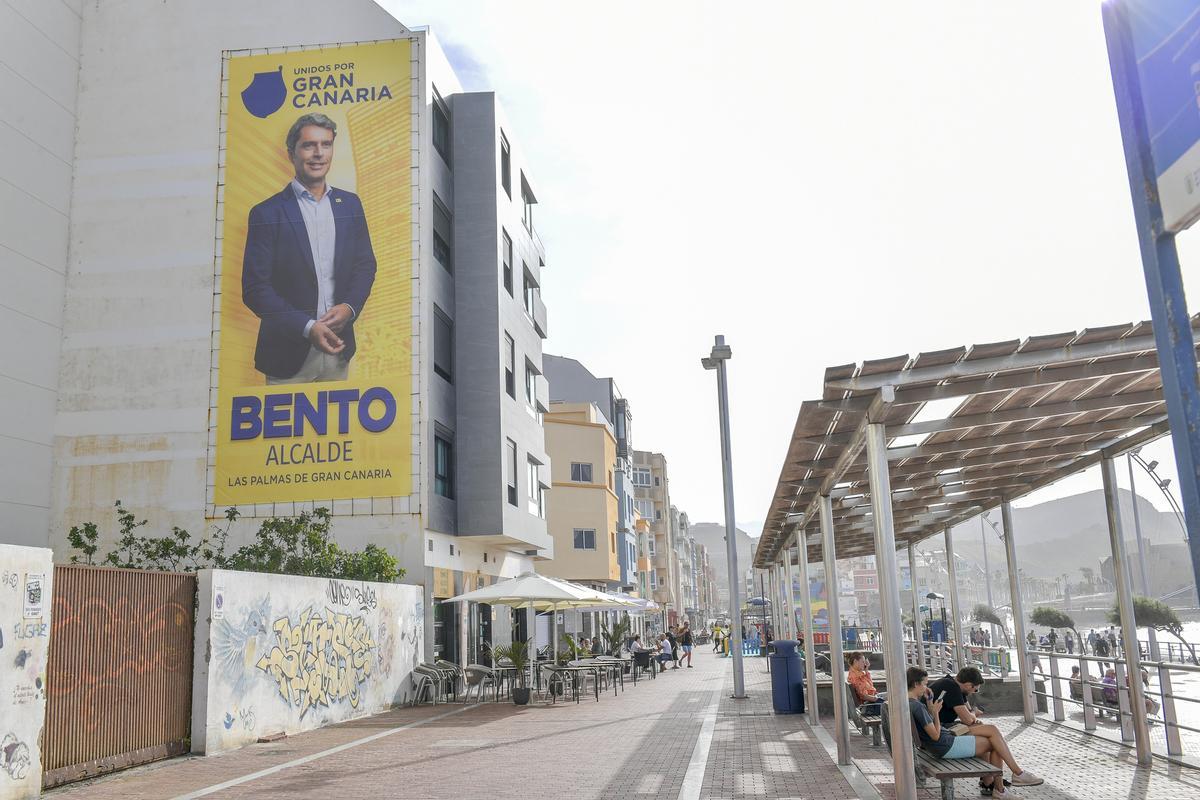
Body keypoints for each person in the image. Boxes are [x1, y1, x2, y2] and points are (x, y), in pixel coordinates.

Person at [242, 112, 377, 384]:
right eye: (309, 145)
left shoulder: (350, 205)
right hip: (286, 356)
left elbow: (365, 265)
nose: (318, 153)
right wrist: (307, 328)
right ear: (292, 153)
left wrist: (349, 307)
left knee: (342, 428)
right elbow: (256, 290)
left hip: (339, 351)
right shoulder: (266, 213)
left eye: (325, 144)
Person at [907, 667, 1042, 797]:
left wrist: (931, 706)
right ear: (916, 684)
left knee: (992, 735)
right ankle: (1010, 779)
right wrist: (936, 712)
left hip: (941, 738)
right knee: (994, 740)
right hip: (943, 742)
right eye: (925, 684)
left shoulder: (914, 702)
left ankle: (996, 784)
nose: (927, 687)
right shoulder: (923, 703)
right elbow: (942, 733)